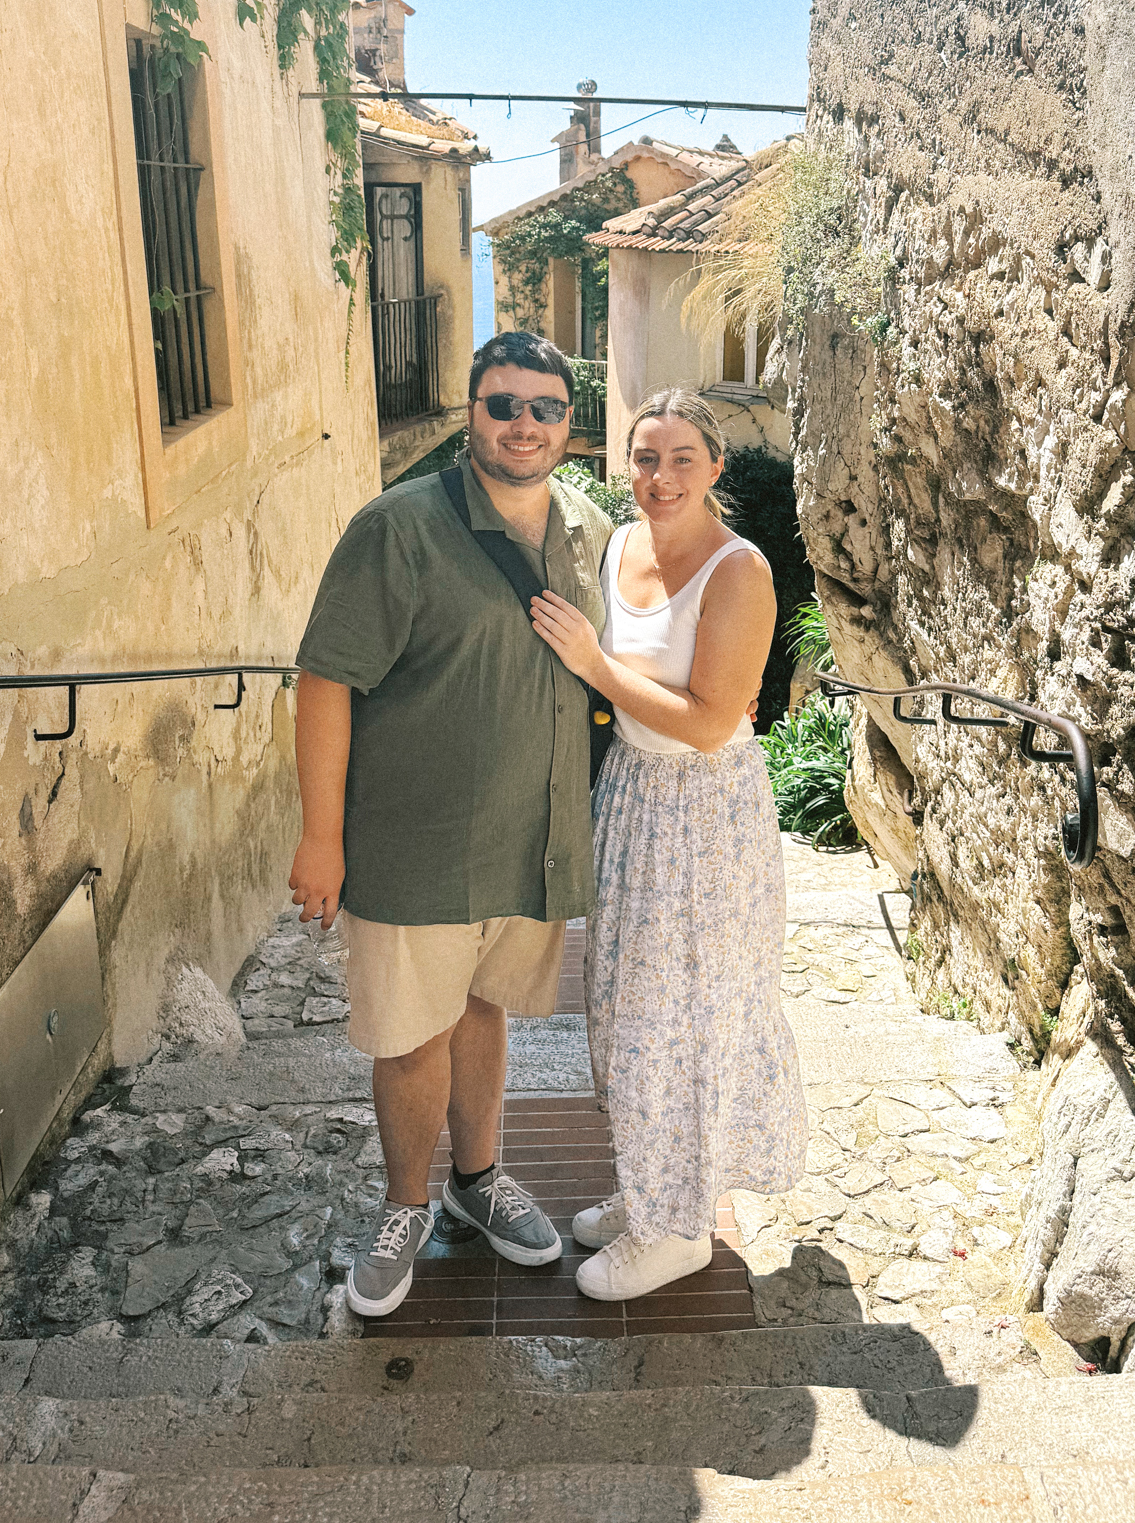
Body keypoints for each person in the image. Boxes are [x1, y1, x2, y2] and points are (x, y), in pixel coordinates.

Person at [288, 331, 615, 1317]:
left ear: (568, 422)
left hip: (533, 838)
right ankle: (405, 1202)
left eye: (544, 407)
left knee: (484, 1009)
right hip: (414, 842)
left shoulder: (587, 529)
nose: (524, 423)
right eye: (503, 402)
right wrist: (321, 837)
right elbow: (324, 679)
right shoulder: (397, 527)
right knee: (407, 1033)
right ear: (470, 410)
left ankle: (479, 1177)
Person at [530, 387, 808, 1300]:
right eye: (645, 458)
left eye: (682, 458)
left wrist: (594, 665)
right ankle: (652, 1184)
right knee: (622, 1010)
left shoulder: (739, 571)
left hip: (704, 813)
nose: (660, 476)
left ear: (715, 468)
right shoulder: (620, 545)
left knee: (681, 1020)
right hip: (634, 797)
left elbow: (706, 723)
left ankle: (679, 1229)